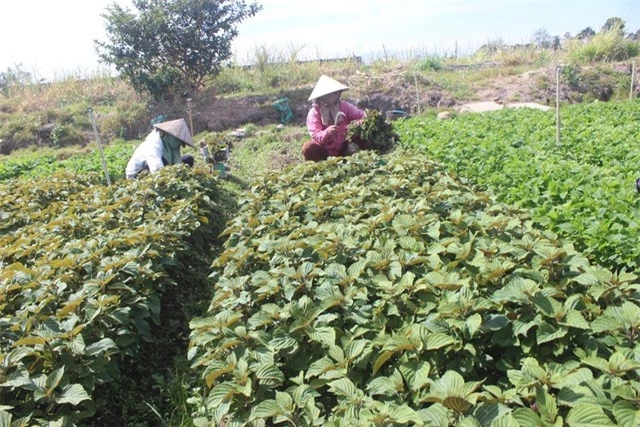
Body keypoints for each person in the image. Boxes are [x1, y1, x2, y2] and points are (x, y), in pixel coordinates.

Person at [302, 75, 368, 162]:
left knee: (363, 136)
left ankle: (353, 157)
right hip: (324, 149)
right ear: (323, 96)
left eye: (336, 92)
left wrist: (360, 121)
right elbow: (316, 135)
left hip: (343, 145)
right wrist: (328, 132)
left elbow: (362, 115)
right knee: (308, 148)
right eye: (332, 93)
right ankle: (321, 163)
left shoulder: (344, 106)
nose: (335, 94)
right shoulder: (314, 112)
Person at [125, 118, 195, 179]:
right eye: (177, 139)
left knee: (188, 159)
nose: (179, 143)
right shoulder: (153, 144)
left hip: (158, 165)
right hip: (137, 174)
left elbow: (177, 162)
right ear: (166, 134)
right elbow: (156, 168)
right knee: (163, 164)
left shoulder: (169, 145)